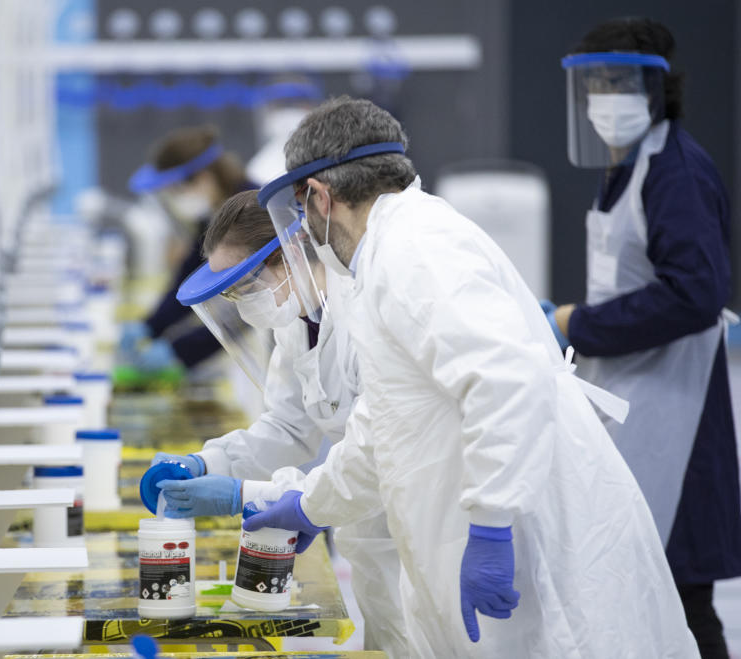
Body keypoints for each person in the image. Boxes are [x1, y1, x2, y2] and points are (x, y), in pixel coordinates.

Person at [245, 96, 700, 657]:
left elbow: (504, 379)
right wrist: (313, 504)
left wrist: (490, 523)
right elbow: (387, 426)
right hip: (495, 531)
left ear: (319, 196)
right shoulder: (392, 251)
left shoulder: (413, 250)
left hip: (531, 546)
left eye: (301, 211)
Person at [543, 18, 741, 658]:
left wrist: (577, 323)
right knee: (635, 599)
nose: (604, 95)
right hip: (632, 405)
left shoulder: (676, 172)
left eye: (617, 81)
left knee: (682, 605)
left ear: (656, 87)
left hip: (676, 424)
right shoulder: (628, 166)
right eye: (594, 82)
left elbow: (695, 293)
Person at [142, 190, 411, 656]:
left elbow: (376, 455)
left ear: (291, 256)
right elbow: (287, 428)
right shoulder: (295, 321)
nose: (244, 303)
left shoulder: (366, 313)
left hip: (420, 527)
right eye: (232, 292)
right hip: (370, 537)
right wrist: (207, 463)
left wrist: (243, 495)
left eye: (246, 285)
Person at [121, 125, 250, 372]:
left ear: (203, 178)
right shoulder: (215, 215)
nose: (173, 199)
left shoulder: (250, 213)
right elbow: (189, 277)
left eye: (174, 190)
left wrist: (178, 351)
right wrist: (151, 326)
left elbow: (245, 311)